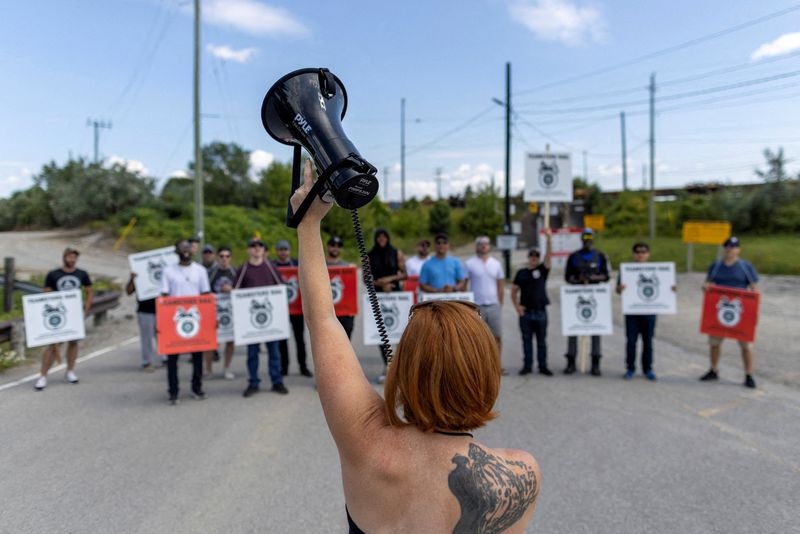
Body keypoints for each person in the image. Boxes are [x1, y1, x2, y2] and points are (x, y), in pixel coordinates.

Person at [291, 160, 540, 533]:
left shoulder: (367, 442)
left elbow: (323, 320)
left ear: (405, 370)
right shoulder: (523, 473)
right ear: (487, 373)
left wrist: (308, 225)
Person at [700, 236, 759, 389]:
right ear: (723, 249)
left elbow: (754, 288)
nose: (730, 250)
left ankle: (749, 374)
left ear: (738, 249)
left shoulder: (746, 266)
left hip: (740, 312)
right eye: (727, 247)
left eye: (733, 247)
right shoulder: (716, 266)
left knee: (746, 346)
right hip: (719, 311)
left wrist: (753, 311)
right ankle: (713, 370)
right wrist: (705, 287)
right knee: (714, 344)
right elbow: (708, 283)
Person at [34, 247, 93, 391]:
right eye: (69, 257)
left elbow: (89, 291)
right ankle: (43, 375)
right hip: (59, 314)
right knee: (54, 344)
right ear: (64, 257)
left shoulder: (82, 274)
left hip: (75, 314)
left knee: (73, 342)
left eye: (74, 257)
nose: (72, 260)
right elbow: (46, 294)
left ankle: (70, 371)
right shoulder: (53, 274)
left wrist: (86, 308)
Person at [160, 239, 210, 405]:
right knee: (172, 359)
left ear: (192, 250)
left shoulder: (200, 271)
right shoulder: (168, 271)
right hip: (175, 321)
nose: (185, 250)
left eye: (188, 247)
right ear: (176, 251)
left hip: (196, 320)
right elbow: (164, 296)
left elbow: (205, 295)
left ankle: (197, 387)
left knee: (197, 357)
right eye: (182, 248)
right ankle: (173, 391)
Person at [237, 238, 289, 397]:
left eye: (260, 246)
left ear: (263, 249)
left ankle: (277, 381)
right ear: (248, 250)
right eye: (253, 246)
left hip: (271, 320)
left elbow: (281, 288)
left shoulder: (271, 268)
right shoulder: (243, 269)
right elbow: (236, 291)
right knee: (252, 354)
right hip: (251, 322)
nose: (257, 248)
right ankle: (253, 382)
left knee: (274, 352)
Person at [615, 242, 674, 381]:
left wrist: (671, 289)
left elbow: (667, 287)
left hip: (650, 312)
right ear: (634, 254)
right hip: (632, 312)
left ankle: (648, 368)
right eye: (638, 252)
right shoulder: (627, 270)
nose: (641, 254)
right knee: (631, 341)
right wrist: (620, 288)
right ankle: (630, 368)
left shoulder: (658, 271)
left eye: (643, 252)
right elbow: (617, 290)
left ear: (648, 254)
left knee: (648, 342)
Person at [563, 228, 610, 376]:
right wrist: (578, 279)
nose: (587, 241)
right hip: (577, 297)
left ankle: (596, 362)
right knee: (573, 329)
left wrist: (592, 278)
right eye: (585, 238)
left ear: (593, 239)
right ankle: (571, 361)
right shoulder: (574, 257)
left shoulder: (600, 256)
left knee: (596, 329)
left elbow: (606, 276)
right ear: (581, 239)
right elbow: (567, 277)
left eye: (590, 238)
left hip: (595, 297)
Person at [511, 232, 553, 376]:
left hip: (540, 311)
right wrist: (517, 307)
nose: (534, 258)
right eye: (532, 256)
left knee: (541, 341)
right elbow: (513, 291)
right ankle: (527, 365)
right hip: (526, 312)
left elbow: (548, 259)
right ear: (529, 257)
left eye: (536, 256)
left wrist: (548, 241)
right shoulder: (521, 272)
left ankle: (543, 366)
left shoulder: (542, 270)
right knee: (526, 341)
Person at [465, 236, 506, 374]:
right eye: (480, 244)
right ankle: (479, 367)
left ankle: (497, 365)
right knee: (476, 338)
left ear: (489, 247)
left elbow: (500, 285)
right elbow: (465, 285)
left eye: (486, 244)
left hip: (493, 305)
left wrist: (500, 303)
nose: (483, 246)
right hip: (477, 306)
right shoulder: (469, 264)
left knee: (497, 337)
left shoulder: (496, 264)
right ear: (476, 246)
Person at [273, 239, 312, 377]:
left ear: (289, 251)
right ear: (277, 251)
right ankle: (284, 367)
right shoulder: (272, 266)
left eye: (285, 249)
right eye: (280, 250)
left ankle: (303, 366)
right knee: (282, 340)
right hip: (280, 309)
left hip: (297, 308)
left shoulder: (296, 264)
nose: (283, 252)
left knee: (300, 339)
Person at [206, 246, 237, 379]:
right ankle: (208, 370)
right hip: (214, 313)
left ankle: (226, 368)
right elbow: (205, 292)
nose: (224, 259)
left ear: (230, 258)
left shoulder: (235, 272)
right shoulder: (211, 273)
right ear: (217, 258)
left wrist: (232, 289)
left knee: (230, 342)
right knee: (211, 343)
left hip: (230, 313)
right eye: (221, 256)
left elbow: (242, 291)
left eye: (227, 256)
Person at [125, 272, 163, 372]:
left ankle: (167, 359)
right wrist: (132, 279)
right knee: (146, 338)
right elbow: (128, 292)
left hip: (162, 309)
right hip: (145, 310)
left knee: (164, 336)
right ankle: (147, 362)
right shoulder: (139, 273)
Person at [325, 235, 356, 340]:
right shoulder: (321, 265)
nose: (335, 248)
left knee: (346, 341)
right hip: (327, 311)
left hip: (345, 312)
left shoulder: (348, 266)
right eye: (333, 245)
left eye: (338, 246)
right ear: (328, 247)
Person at [368, 228, 406, 293]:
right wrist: (382, 284)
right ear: (376, 239)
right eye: (379, 237)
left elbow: (405, 275)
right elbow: (365, 278)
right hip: (377, 293)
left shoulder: (396, 253)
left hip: (395, 290)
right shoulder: (369, 255)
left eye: (384, 237)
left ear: (388, 238)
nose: (382, 239)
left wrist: (389, 279)